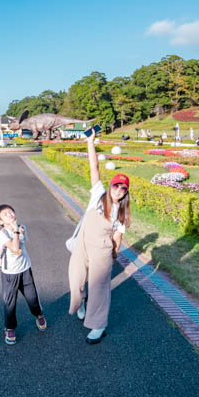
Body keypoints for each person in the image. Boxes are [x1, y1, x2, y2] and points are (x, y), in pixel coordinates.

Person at [67, 130, 131, 344]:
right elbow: (93, 166)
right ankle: (81, 303)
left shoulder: (121, 213)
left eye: (123, 188)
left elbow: (117, 237)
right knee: (76, 281)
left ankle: (99, 325)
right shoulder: (98, 193)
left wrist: (114, 255)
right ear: (111, 185)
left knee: (99, 287)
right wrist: (90, 142)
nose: (119, 190)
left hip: (103, 249)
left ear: (126, 192)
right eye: (116, 185)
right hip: (83, 243)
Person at [0, 204, 47, 345]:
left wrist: (17, 230)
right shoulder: (2, 234)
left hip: (25, 269)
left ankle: (38, 314)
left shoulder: (22, 227)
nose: (10, 215)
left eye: (11, 212)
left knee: (32, 297)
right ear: (0, 221)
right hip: (10, 273)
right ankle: (9, 328)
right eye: (5, 215)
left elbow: (21, 244)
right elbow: (15, 248)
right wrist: (15, 230)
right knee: (10, 303)